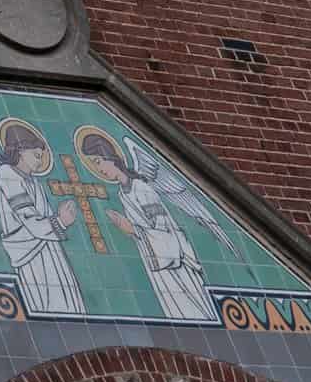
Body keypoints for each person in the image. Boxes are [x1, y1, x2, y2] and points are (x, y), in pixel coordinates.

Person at [78, 130, 211, 320]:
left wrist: (132, 229)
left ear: (109, 157)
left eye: (98, 162)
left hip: (174, 263)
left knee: (193, 310)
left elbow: (166, 230)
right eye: (94, 165)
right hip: (156, 261)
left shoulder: (140, 187)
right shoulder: (123, 193)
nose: (99, 169)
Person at [0, 122, 84, 314]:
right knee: (48, 304)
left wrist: (59, 219)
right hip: (30, 254)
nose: (40, 161)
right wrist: (60, 221)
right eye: (36, 155)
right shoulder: (7, 174)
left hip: (48, 250)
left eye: (42, 156)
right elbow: (29, 220)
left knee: (67, 302)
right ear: (20, 151)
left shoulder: (33, 181)